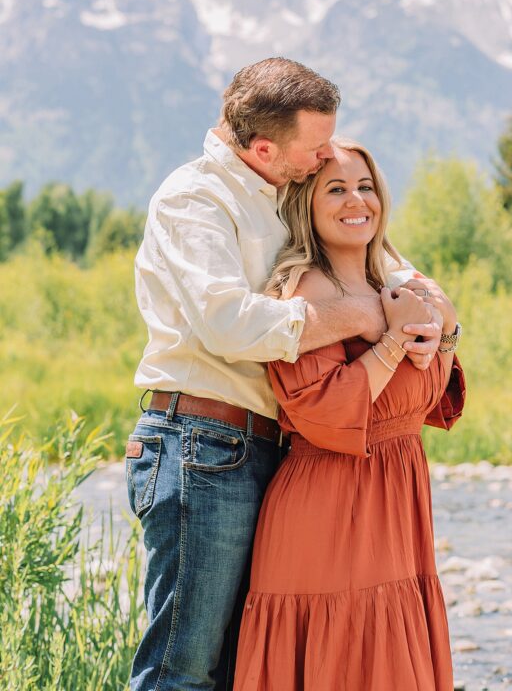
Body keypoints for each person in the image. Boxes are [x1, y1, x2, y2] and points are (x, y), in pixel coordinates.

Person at [127, 58, 445, 691]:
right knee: (181, 669)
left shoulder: (282, 191)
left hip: (272, 450)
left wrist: (433, 310)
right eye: (315, 146)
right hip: (201, 443)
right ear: (265, 147)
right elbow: (228, 324)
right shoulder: (195, 199)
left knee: (242, 668)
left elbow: (389, 265)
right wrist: (366, 315)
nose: (325, 156)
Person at [234, 137, 465, 691]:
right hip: (335, 503)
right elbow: (323, 411)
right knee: (347, 660)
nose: (356, 200)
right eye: (335, 189)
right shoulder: (305, 289)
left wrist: (448, 329)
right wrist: (393, 341)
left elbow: (420, 402)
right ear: (307, 206)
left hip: (396, 495)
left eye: (365, 186)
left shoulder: (393, 285)